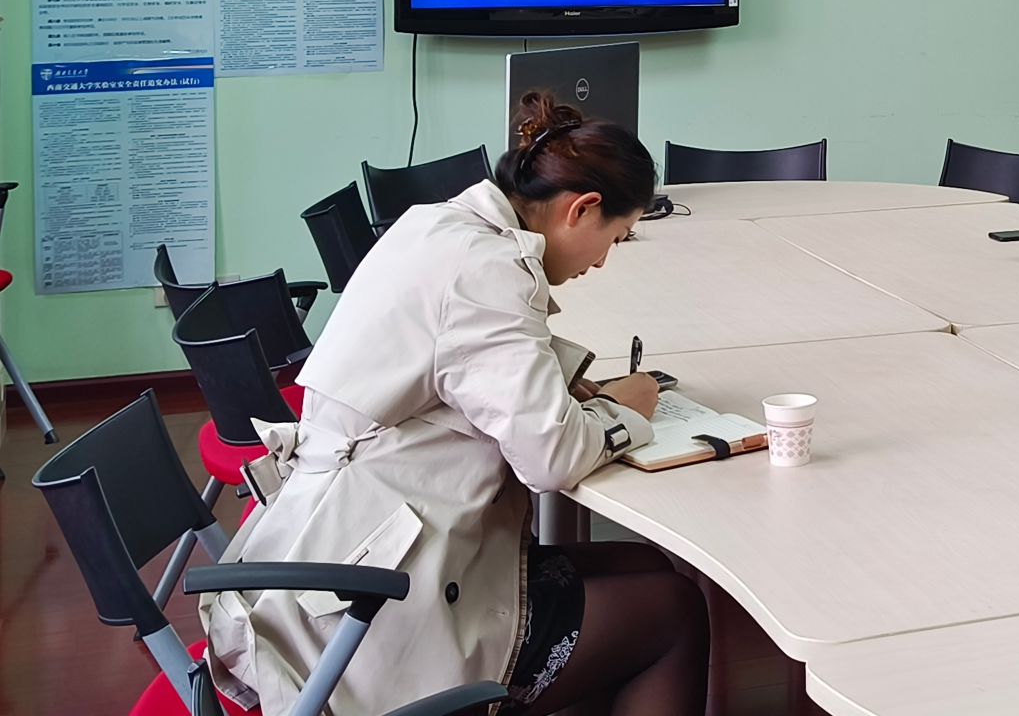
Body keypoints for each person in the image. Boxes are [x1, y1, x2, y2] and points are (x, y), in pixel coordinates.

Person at [202, 93, 709, 716]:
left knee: (643, 565)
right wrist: (625, 409)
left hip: (338, 548)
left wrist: (563, 389)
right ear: (581, 209)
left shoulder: (438, 224)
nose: (603, 260)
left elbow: (457, 366)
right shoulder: (489, 270)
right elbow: (550, 460)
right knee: (673, 612)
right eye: (615, 238)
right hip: (371, 611)